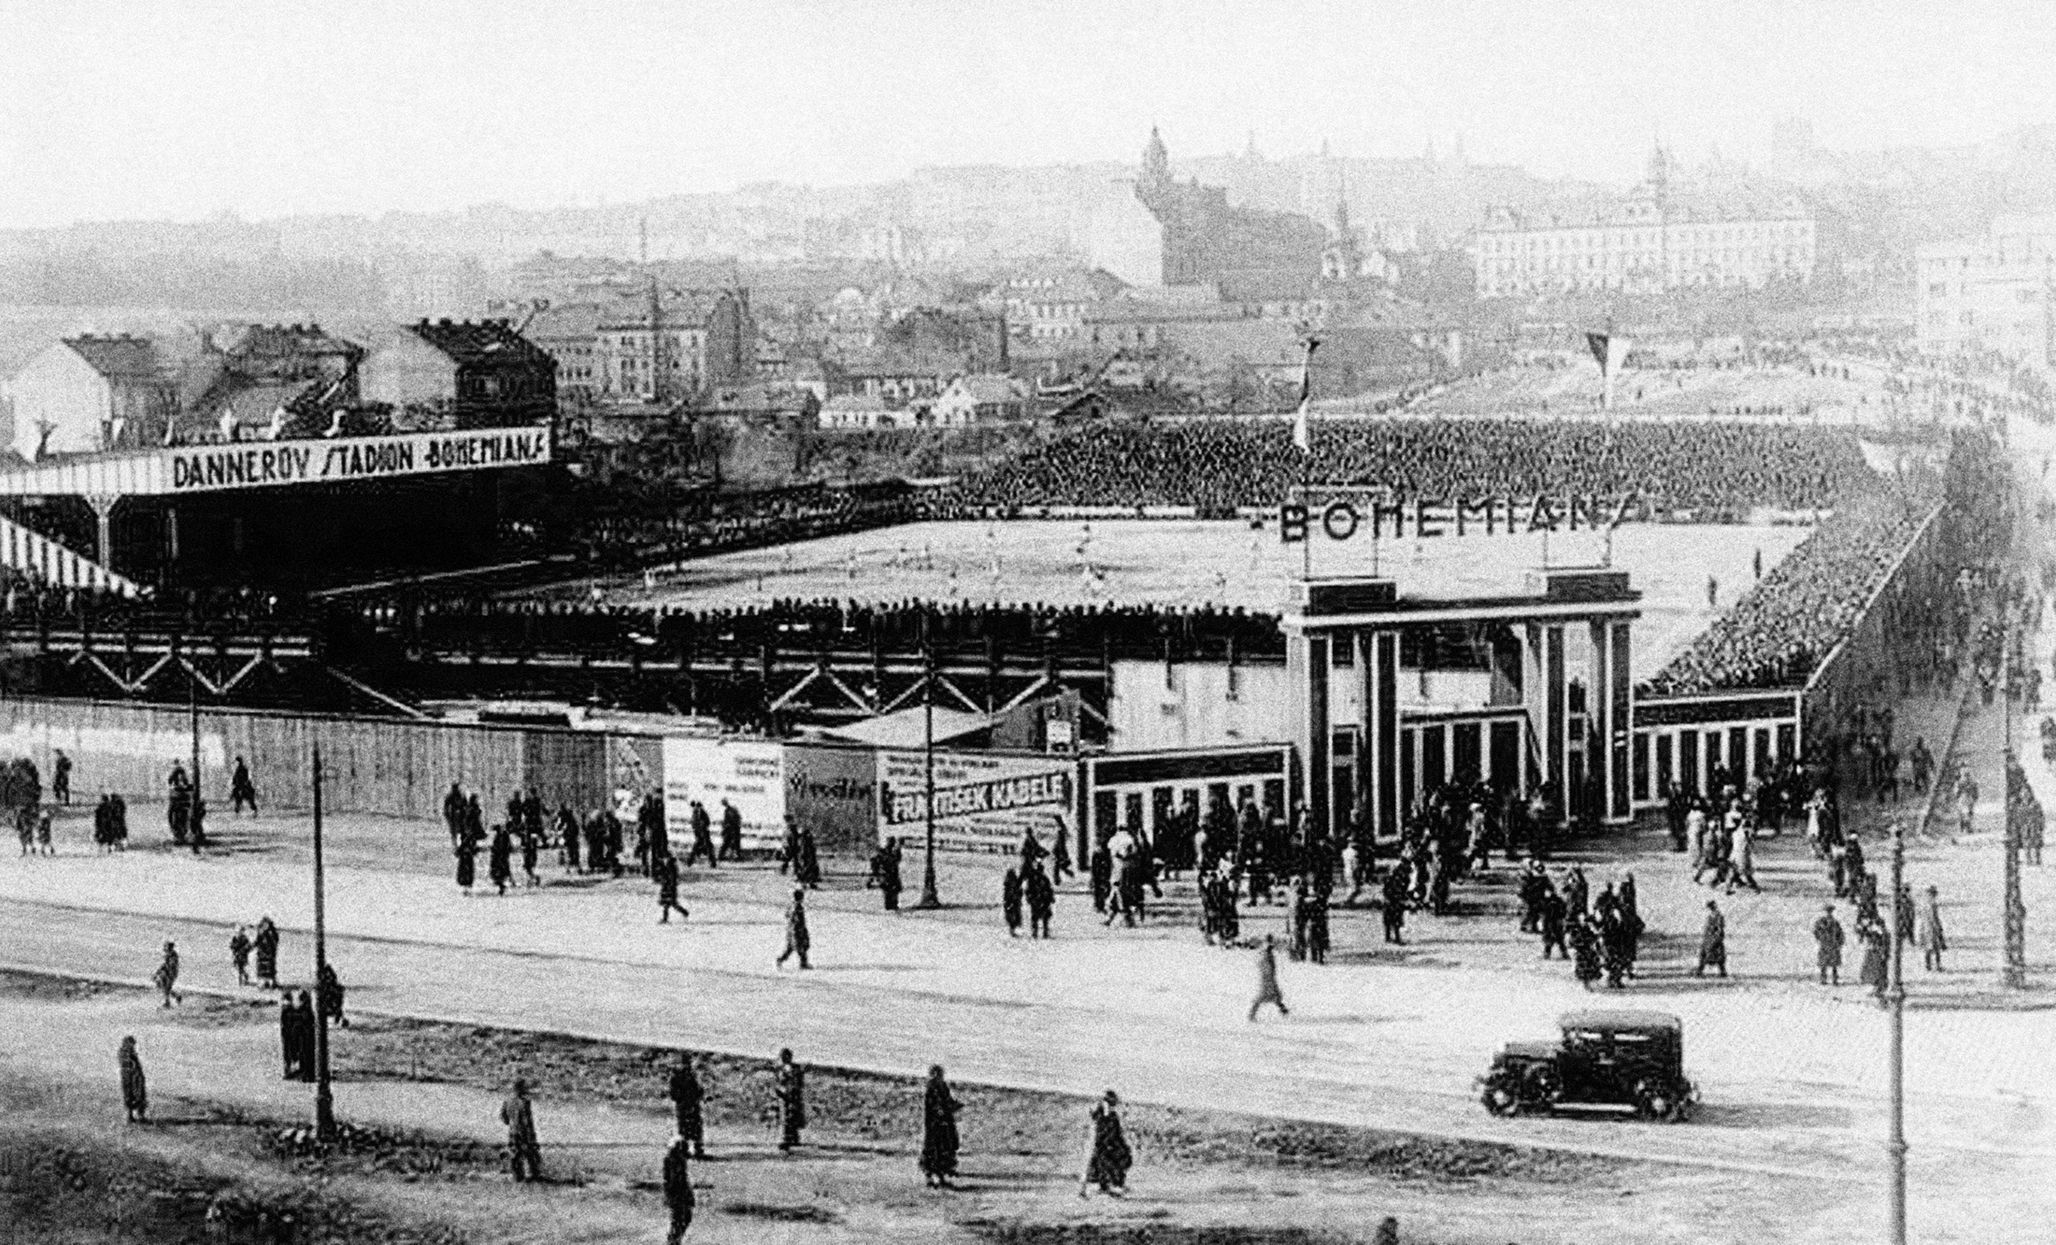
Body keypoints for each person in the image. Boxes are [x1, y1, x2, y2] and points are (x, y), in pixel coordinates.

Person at [1080, 1090, 1131, 1198]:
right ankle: (1107, 1186)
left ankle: (1105, 1186)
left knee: (1101, 1163)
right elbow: (1107, 1130)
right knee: (1102, 1163)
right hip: (1103, 1144)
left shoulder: (1106, 1113)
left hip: (1104, 1143)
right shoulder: (1105, 1113)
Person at [920, 1065, 962, 1189]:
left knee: (945, 1148)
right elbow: (935, 1106)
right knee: (933, 1149)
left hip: (945, 1123)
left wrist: (954, 1106)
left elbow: (947, 1101)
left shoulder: (942, 1086)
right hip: (935, 1124)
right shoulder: (931, 1088)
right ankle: (931, 1178)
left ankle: (942, 1177)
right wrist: (944, 1110)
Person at [501, 1079, 542, 1182]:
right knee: (530, 1152)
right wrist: (532, 1136)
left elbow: (503, 1117)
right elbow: (527, 1121)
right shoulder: (524, 1102)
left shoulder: (507, 1100)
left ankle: (517, 1176)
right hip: (524, 1132)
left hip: (512, 1131)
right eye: (525, 1087)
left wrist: (511, 1123)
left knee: (515, 1154)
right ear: (521, 1088)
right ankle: (534, 1174)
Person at [668, 1057, 706, 1158]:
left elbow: (698, 1090)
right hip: (686, 1104)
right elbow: (699, 1090)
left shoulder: (687, 1075)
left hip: (688, 1104)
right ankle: (687, 1147)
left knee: (690, 1125)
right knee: (688, 1126)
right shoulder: (682, 1075)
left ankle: (692, 1147)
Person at [662, 1132, 695, 1244]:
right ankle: (674, 1242)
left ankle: (674, 1241)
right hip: (679, 1195)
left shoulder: (673, 1160)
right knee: (682, 1219)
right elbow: (675, 1180)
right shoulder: (674, 1161)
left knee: (680, 1220)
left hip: (678, 1195)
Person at [1247, 934, 1288, 1021]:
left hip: (1270, 977)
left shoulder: (1268, 953)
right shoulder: (1265, 954)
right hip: (1267, 978)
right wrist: (1268, 974)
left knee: (1276, 995)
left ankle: (1284, 1010)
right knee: (1263, 996)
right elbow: (1264, 966)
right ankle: (1251, 1015)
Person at [774, 1048, 806, 1152]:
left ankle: (788, 1139)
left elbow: (796, 1082)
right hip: (786, 1095)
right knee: (787, 1117)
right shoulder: (785, 1069)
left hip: (790, 1095)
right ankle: (789, 1138)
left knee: (789, 1117)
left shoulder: (790, 1069)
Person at [777, 889, 811, 970]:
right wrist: (802, 929)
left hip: (790, 929)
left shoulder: (791, 906)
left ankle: (780, 960)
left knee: (791, 947)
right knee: (800, 946)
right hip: (797, 930)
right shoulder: (798, 907)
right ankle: (803, 963)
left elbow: (786, 915)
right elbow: (799, 920)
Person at [1694, 899, 1728, 978]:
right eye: (1709, 907)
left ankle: (1722, 971)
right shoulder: (1710, 916)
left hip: (1715, 937)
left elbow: (1720, 928)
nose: (1710, 908)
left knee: (1717, 954)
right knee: (1703, 953)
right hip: (1708, 937)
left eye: (1711, 906)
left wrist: (1717, 937)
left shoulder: (1719, 916)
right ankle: (1699, 970)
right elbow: (1707, 927)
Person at [118, 1036, 147, 1124]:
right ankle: (132, 1117)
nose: (133, 1046)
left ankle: (137, 1116)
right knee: (131, 1096)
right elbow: (131, 1066)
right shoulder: (125, 1054)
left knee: (137, 1096)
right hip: (130, 1078)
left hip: (132, 1077)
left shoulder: (127, 1053)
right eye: (132, 1044)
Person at [1814, 905, 1846, 985]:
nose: (1829, 913)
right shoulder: (1822, 921)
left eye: (1830, 911)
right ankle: (1824, 979)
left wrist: (1840, 942)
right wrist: (1820, 937)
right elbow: (1816, 931)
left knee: (1833, 963)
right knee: (1824, 963)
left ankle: (1834, 979)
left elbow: (1840, 933)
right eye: (1828, 911)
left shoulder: (1835, 922)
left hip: (1832, 944)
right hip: (1826, 943)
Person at [1918, 885, 1947, 971]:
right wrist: (1939, 928)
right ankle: (1937, 966)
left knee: (1928, 948)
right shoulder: (1932, 905)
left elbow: (1921, 917)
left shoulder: (1924, 905)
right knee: (1936, 948)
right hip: (1932, 929)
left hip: (1925, 928)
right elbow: (1934, 918)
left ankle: (1928, 965)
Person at [870, 838, 903, 911]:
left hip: (892, 875)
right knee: (888, 891)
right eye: (890, 843)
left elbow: (897, 859)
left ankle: (893, 905)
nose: (891, 845)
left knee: (893, 891)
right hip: (887, 875)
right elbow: (875, 862)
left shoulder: (892, 852)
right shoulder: (883, 853)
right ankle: (890, 906)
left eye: (892, 843)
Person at [656, 853, 690, 923]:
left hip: (669, 888)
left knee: (670, 903)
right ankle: (666, 918)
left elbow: (672, 878)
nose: (663, 860)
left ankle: (684, 912)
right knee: (668, 904)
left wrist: (669, 886)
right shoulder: (668, 865)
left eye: (664, 858)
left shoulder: (670, 866)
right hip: (668, 887)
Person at [1025, 861, 1055, 939]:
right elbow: (1028, 890)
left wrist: (1051, 897)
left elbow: (1049, 889)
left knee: (1044, 917)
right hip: (1037, 900)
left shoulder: (1044, 879)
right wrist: (1030, 898)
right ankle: (1036, 933)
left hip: (1043, 900)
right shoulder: (1034, 879)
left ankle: (1044, 932)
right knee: (1036, 917)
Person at [279, 991, 302, 1080]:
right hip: (292, 1033)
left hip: (288, 1033)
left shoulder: (286, 1010)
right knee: (293, 1051)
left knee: (289, 1051)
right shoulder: (292, 1010)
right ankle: (291, 1069)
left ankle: (288, 1070)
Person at [685, 800, 716, 867]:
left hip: (702, 832)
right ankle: (712, 863)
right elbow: (706, 822)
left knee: (701, 847)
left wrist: (700, 830)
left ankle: (690, 862)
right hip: (702, 832)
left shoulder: (697, 812)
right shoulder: (699, 812)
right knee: (706, 847)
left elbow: (699, 823)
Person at [317, 962, 348, 1028]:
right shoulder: (325, 984)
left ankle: (337, 1021)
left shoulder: (335, 986)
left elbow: (339, 998)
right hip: (328, 1003)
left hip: (332, 1003)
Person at [253, 917, 280, 990]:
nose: (265, 926)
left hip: (269, 955)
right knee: (262, 969)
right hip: (261, 955)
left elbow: (275, 942)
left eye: (267, 924)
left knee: (270, 969)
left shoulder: (272, 933)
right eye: (264, 924)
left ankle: (271, 983)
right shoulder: (261, 932)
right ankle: (262, 983)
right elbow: (257, 941)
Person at [155, 941, 182, 1008]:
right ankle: (176, 996)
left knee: (166, 988)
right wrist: (158, 972)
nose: (164, 948)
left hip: (171, 973)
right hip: (167, 972)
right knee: (163, 986)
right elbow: (165, 964)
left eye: (166, 947)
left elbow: (171, 965)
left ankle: (168, 1002)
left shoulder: (173, 955)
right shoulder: (168, 954)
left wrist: (162, 972)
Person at [1001, 866, 1024, 937]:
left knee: (1013, 917)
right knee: (1015, 917)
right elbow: (1020, 893)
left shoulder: (1007, 884)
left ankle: (1013, 931)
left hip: (1011, 903)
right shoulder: (1012, 884)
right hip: (1014, 902)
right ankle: (1014, 931)